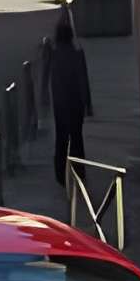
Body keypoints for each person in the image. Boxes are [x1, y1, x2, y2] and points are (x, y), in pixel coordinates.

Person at [47, 12, 94, 187]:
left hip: (60, 105)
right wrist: (88, 103)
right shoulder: (77, 55)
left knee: (61, 140)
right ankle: (79, 172)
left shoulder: (54, 56)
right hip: (76, 104)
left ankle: (60, 175)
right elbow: (83, 80)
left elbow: (50, 80)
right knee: (77, 138)